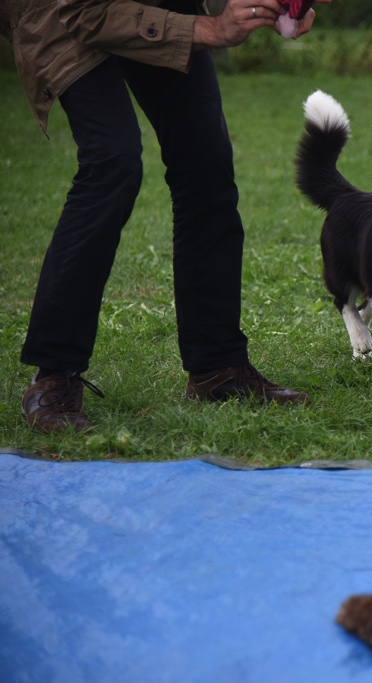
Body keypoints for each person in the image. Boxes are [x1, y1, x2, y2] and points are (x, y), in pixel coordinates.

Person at [1, 0, 326, 433]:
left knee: (204, 161)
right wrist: (210, 29)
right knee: (112, 159)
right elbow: (85, 14)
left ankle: (217, 367)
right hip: (66, 10)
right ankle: (53, 375)